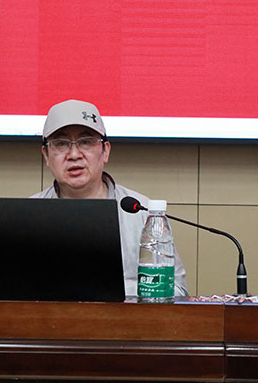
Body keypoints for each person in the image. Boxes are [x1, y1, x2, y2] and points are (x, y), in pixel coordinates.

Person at [31, 99, 188, 297]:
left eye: (86, 142)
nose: (74, 154)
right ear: (46, 155)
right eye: (61, 144)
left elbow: (178, 291)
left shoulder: (144, 214)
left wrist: (109, 288)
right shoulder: (29, 215)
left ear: (105, 151)